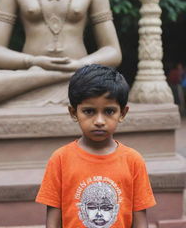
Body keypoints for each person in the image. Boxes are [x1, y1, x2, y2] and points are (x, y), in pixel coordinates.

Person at [36, 64, 156, 228]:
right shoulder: (60, 159)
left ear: (122, 113)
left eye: (109, 111)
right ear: (73, 113)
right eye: (89, 111)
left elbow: (140, 220)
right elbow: (53, 220)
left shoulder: (133, 161)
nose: (99, 121)